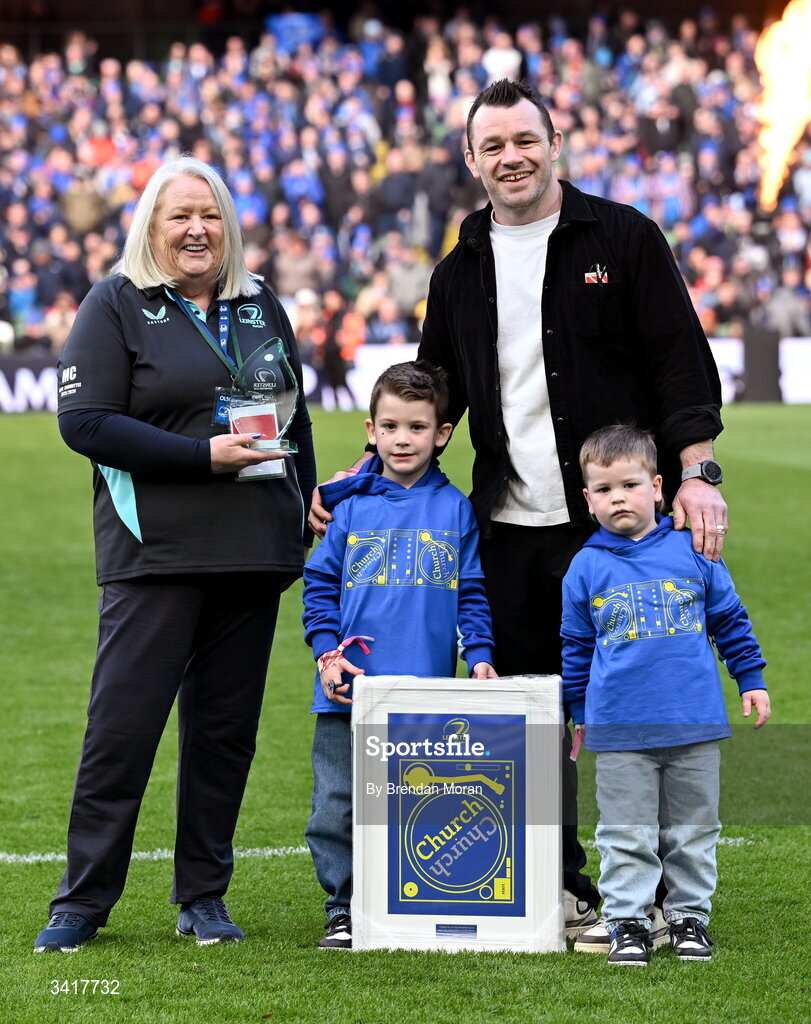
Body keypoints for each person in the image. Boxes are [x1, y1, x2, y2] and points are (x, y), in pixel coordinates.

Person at [309, 79, 728, 944]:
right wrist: (362, 472)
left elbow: (680, 363)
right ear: (470, 160)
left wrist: (697, 473)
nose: (511, 158)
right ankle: (567, 886)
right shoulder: (458, 267)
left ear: (554, 142)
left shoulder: (623, 237)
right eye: (492, 145)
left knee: (625, 706)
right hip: (505, 528)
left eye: (524, 140)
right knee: (537, 710)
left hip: (617, 527)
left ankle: (650, 894)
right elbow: (429, 395)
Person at [34, 157, 316, 952]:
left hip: (254, 549)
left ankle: (204, 896)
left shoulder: (261, 303)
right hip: (153, 550)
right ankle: (81, 902)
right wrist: (203, 458)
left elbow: (291, 423)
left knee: (225, 735)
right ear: (151, 228)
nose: (197, 230)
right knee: (122, 730)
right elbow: (84, 423)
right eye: (179, 217)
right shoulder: (115, 302)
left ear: (227, 224)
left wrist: (306, 504)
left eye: (210, 216)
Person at [302, 360, 496, 949]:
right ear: (371, 430)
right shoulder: (348, 507)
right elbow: (317, 588)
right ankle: (343, 905)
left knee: (416, 803)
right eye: (390, 426)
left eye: (416, 427)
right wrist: (326, 656)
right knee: (335, 807)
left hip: (424, 694)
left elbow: (472, 593)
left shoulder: (456, 509)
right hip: (346, 690)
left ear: (441, 434)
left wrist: (481, 654)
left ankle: (403, 897)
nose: (402, 439)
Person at [561, 424, 769, 966]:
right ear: (588, 500)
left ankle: (688, 917)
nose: (618, 498)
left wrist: (751, 680)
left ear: (657, 487)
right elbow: (576, 648)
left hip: (694, 724)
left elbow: (730, 620)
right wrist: (580, 714)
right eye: (604, 490)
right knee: (625, 831)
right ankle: (628, 919)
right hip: (620, 729)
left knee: (693, 829)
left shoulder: (694, 552)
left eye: (629, 485)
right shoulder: (585, 567)